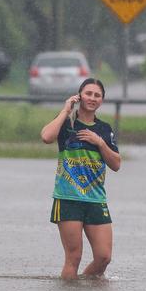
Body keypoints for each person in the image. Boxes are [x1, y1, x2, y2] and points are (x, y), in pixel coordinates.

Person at [40, 78, 121, 280]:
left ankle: (84, 286)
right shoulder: (66, 123)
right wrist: (66, 110)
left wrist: (100, 143)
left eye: (97, 95)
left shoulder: (104, 129)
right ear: (79, 96)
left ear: (102, 100)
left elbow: (116, 164)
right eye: (88, 93)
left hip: (95, 199)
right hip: (68, 198)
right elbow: (46, 137)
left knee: (104, 257)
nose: (92, 98)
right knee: (73, 257)